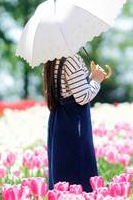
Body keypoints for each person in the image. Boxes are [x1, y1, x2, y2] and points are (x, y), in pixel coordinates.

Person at [43, 52, 109, 192]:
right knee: (80, 168)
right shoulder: (72, 58)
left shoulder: (53, 59)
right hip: (74, 122)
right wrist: (97, 81)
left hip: (60, 120)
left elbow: (72, 89)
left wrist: (91, 78)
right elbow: (83, 97)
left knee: (63, 169)